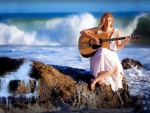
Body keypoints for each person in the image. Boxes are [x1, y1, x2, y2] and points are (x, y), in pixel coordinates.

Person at [80, 12, 131, 92]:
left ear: (112, 22)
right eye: (106, 20)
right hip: (99, 54)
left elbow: (118, 47)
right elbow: (82, 32)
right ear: (103, 21)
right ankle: (99, 77)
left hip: (111, 54)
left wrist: (124, 42)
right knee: (103, 50)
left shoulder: (116, 32)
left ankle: (95, 80)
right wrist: (92, 37)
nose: (108, 22)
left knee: (115, 66)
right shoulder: (98, 30)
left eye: (109, 21)